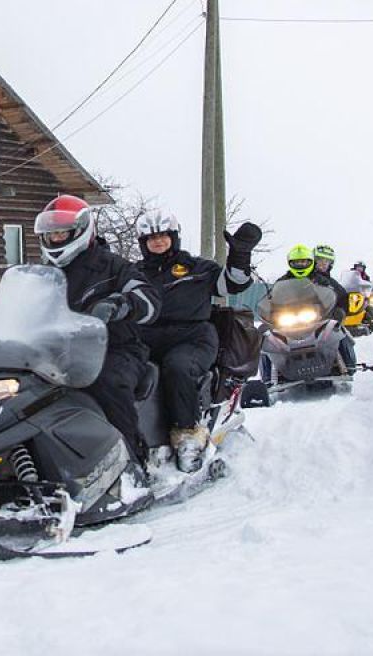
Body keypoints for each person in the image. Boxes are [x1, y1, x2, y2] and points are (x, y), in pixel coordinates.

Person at [34, 194, 161, 465]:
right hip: (56, 353)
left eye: (62, 233)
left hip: (115, 349)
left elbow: (149, 298)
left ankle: (132, 461)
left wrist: (122, 304)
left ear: (80, 231)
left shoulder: (113, 267)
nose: (56, 239)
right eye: (51, 234)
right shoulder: (42, 275)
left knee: (108, 383)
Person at [133, 210, 261, 473]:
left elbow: (233, 284)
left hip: (192, 336)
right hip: (144, 338)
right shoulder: (133, 273)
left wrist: (240, 255)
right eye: (151, 237)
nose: (157, 242)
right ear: (143, 242)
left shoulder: (198, 268)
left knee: (178, 366)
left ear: (174, 237)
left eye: (163, 236)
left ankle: (188, 436)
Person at [276, 244, 357, 374]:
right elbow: (273, 296)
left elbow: (339, 295)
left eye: (304, 261)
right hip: (290, 317)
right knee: (269, 337)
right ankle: (270, 375)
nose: (301, 264)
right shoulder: (283, 280)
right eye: (297, 262)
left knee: (336, 328)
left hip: (318, 317)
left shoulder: (323, 280)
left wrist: (337, 307)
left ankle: (348, 363)